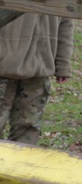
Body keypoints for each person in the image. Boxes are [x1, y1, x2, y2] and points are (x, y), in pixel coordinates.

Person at [0, 13, 73, 145]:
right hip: (4, 69)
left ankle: (21, 164)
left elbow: (65, 23)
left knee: (29, 128)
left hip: (39, 72)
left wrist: (62, 64)